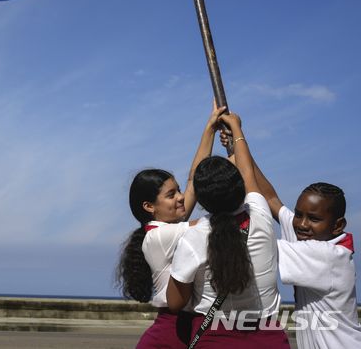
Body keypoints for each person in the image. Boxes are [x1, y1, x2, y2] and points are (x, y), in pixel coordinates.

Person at [220, 132, 361, 348]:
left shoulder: (329, 256)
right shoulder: (304, 233)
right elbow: (270, 198)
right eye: (299, 214)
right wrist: (236, 147)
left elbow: (260, 241)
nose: (302, 224)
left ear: (338, 226)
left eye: (314, 219)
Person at [166, 111, 290, 347]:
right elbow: (248, 172)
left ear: (202, 202)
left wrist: (210, 129)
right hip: (268, 337)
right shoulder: (260, 214)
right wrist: (237, 130)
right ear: (239, 186)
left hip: (215, 338)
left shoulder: (194, 237)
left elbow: (174, 303)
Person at [116, 104, 226, 348]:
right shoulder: (160, 236)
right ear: (149, 206)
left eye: (178, 191)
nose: (179, 197)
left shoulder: (172, 229)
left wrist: (210, 129)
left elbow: (193, 179)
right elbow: (211, 223)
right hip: (171, 331)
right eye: (170, 194)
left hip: (186, 325)